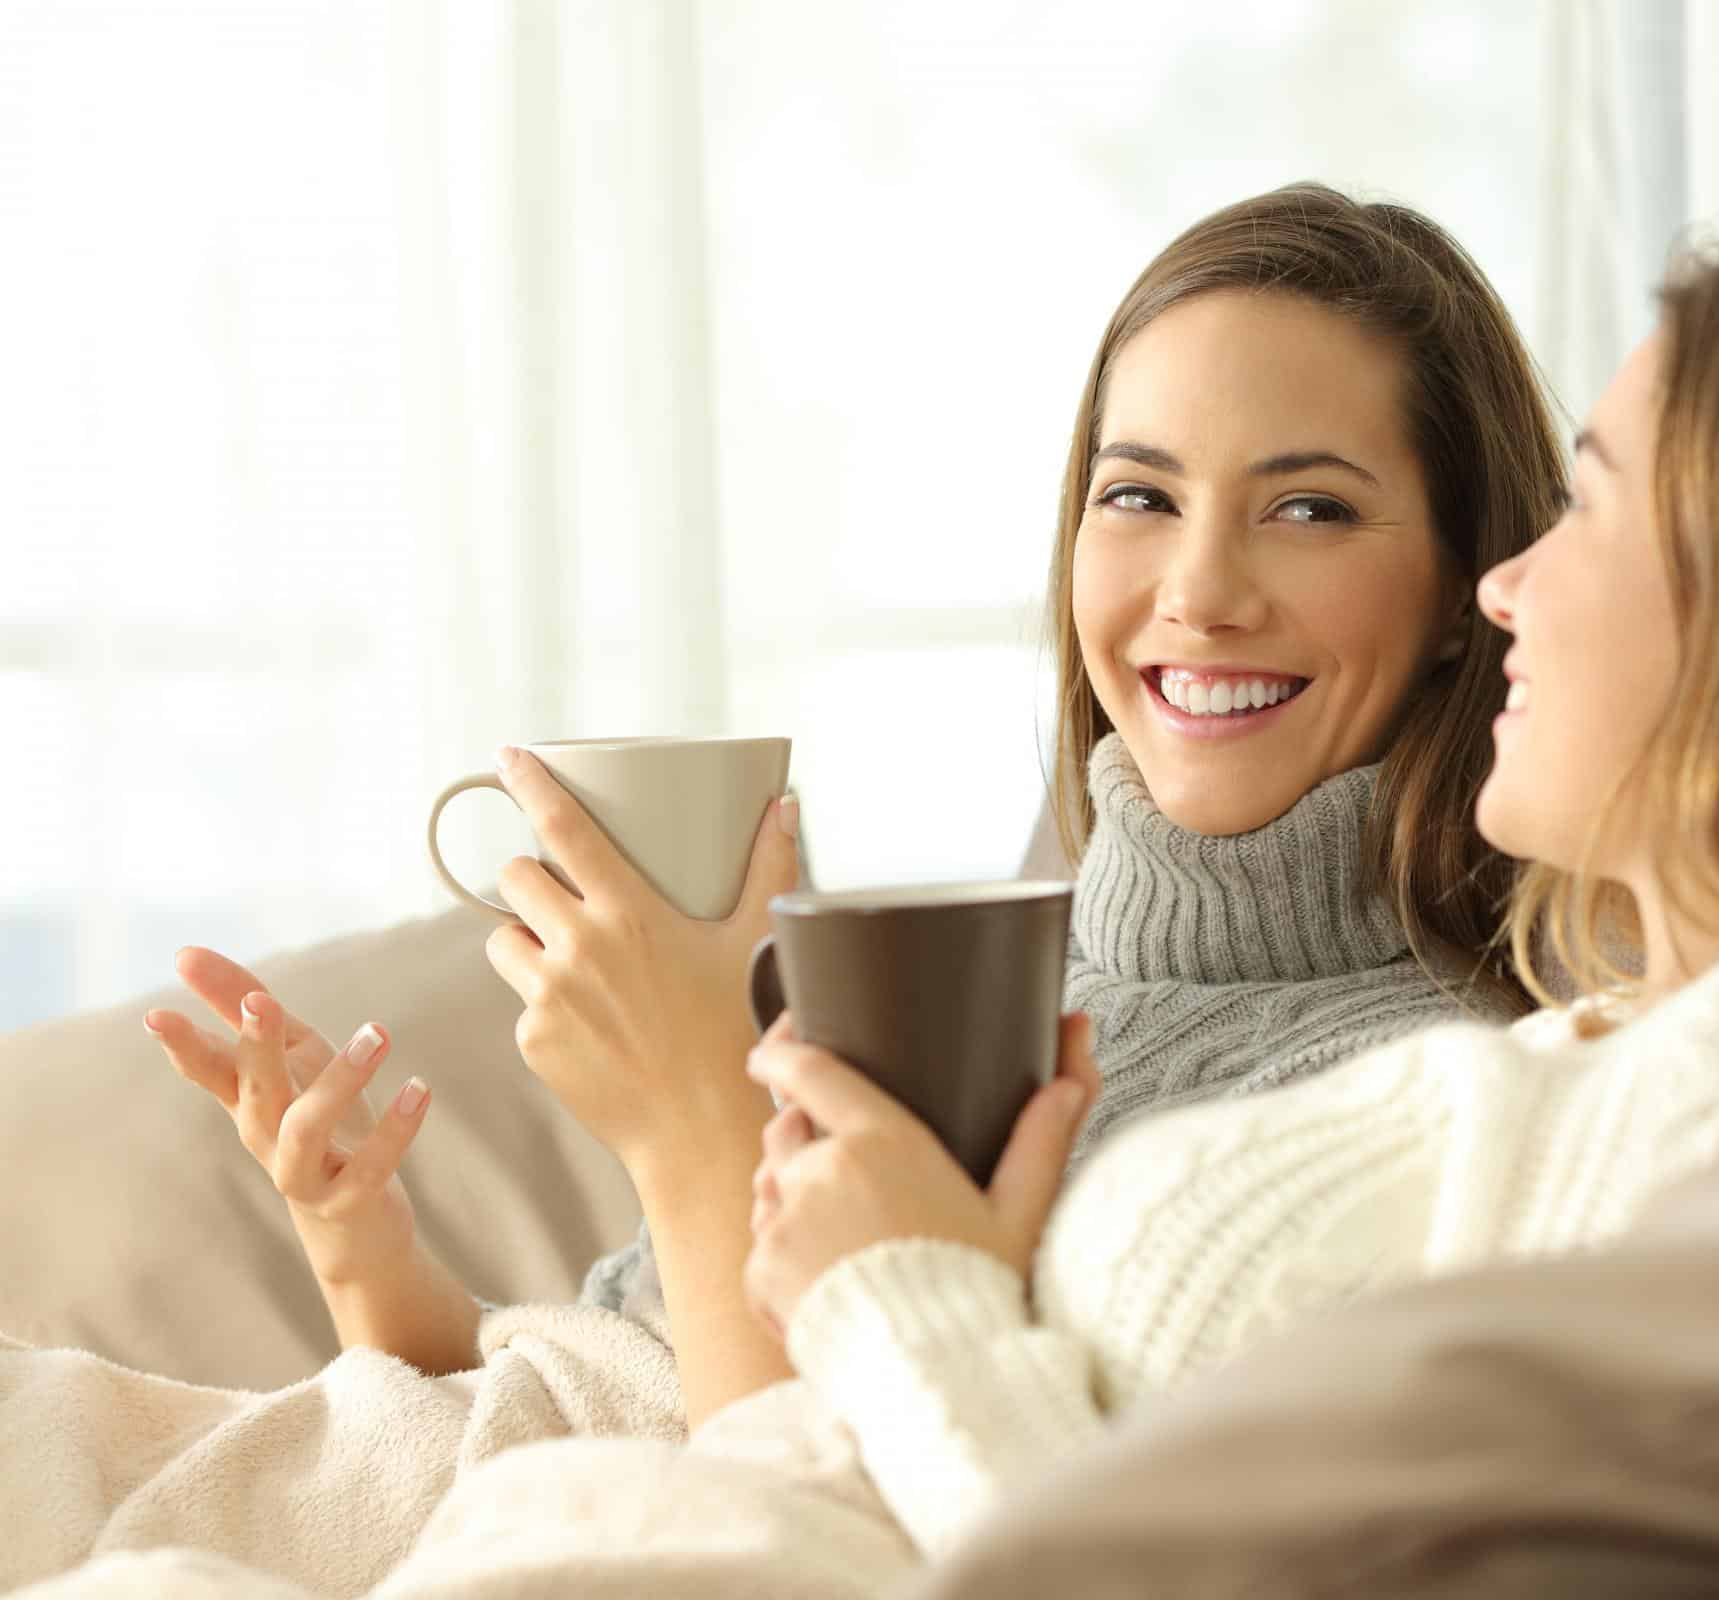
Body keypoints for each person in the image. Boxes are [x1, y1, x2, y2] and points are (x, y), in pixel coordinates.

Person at [0, 184, 1562, 1597]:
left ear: (1461, 592)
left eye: (1308, 508)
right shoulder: (987, 983)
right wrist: (364, 1248)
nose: (1198, 594)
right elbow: (599, 1425)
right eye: (1139, 495)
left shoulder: (1446, 1098)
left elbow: (826, 1544)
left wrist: (694, 1125)